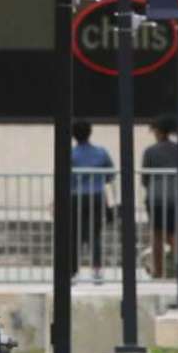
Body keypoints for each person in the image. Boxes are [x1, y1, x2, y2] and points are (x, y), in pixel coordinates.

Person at [70, 121, 114, 282]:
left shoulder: (71, 153)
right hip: (96, 195)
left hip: (76, 197)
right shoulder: (101, 152)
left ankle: (73, 271)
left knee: (74, 234)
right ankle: (96, 270)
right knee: (95, 234)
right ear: (90, 132)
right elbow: (111, 174)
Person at [141, 115, 178, 276]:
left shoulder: (150, 151)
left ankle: (158, 271)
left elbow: (145, 178)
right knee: (173, 233)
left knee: (157, 234)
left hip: (155, 197)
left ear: (158, 131)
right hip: (175, 196)